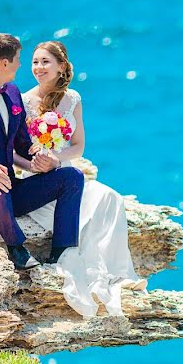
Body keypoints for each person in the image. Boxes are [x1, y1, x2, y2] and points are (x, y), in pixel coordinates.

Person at [20, 40, 146, 317]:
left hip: (63, 172)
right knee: (81, 206)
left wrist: (56, 159)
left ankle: (118, 273)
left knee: (108, 197)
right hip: (36, 179)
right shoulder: (24, 101)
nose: (38, 68)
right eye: (34, 62)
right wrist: (35, 163)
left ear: (61, 66)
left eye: (45, 62)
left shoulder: (73, 99)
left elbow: (78, 146)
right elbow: (13, 150)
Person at [0, 33, 85, 270]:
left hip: (10, 191)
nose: (22, 65)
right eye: (19, 59)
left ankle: (61, 252)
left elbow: (21, 141)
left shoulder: (10, 92)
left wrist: (39, 158)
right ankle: (16, 248)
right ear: (5, 63)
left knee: (72, 177)